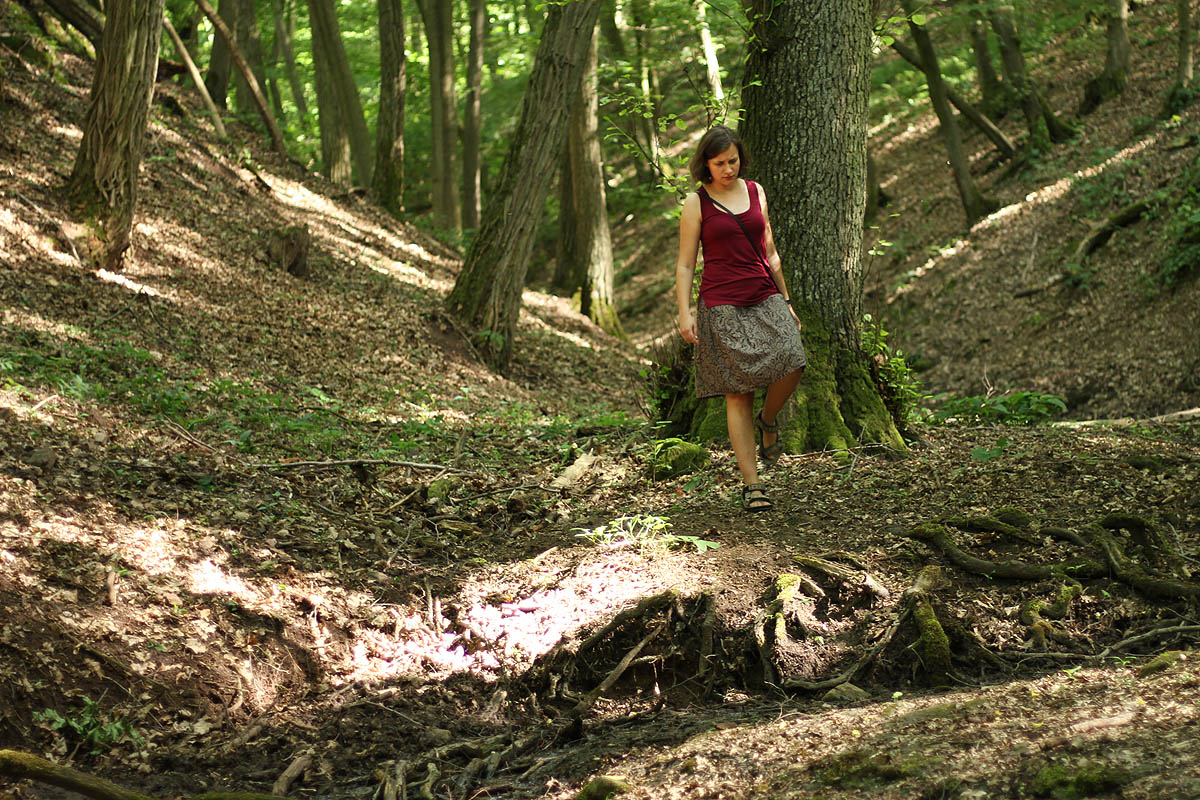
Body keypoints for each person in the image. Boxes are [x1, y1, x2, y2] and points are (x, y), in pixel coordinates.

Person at [675, 125, 806, 513]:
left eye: (732, 160)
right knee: (738, 391)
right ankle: (752, 484)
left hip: (764, 292)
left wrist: (786, 298)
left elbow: (769, 248)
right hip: (720, 302)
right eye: (719, 163)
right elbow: (685, 265)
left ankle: (769, 421)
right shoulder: (696, 203)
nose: (728, 169)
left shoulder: (755, 191)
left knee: (793, 357)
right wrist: (684, 312)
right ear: (706, 164)